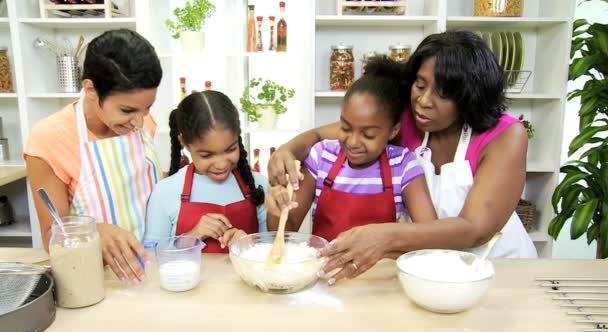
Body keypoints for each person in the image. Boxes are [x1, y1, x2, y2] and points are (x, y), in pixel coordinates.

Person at [267, 30, 537, 283]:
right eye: (420, 85)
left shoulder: (506, 136)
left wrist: (385, 236)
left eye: (442, 94)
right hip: (430, 266)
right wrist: (286, 151)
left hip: (497, 267)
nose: (424, 101)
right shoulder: (405, 120)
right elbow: (323, 135)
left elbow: (474, 229)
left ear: (470, 97)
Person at [25, 29, 163, 283]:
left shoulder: (141, 122)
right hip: (96, 279)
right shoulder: (49, 138)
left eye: (148, 108)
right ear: (90, 89)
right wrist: (96, 231)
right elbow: (51, 236)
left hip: (156, 268)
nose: (140, 121)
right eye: (127, 110)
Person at [265, 57, 436, 243]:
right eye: (345, 128)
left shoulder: (403, 165)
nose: (353, 142)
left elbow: (430, 235)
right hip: (325, 269)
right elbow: (284, 233)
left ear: (393, 130)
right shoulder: (322, 156)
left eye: (368, 135)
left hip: (381, 270)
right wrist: (276, 209)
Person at [144, 91, 272, 252]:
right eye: (207, 155)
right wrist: (192, 237)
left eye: (230, 149)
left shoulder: (258, 184)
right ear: (184, 143)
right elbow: (150, 256)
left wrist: (249, 244)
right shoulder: (165, 191)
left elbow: (271, 251)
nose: (220, 164)